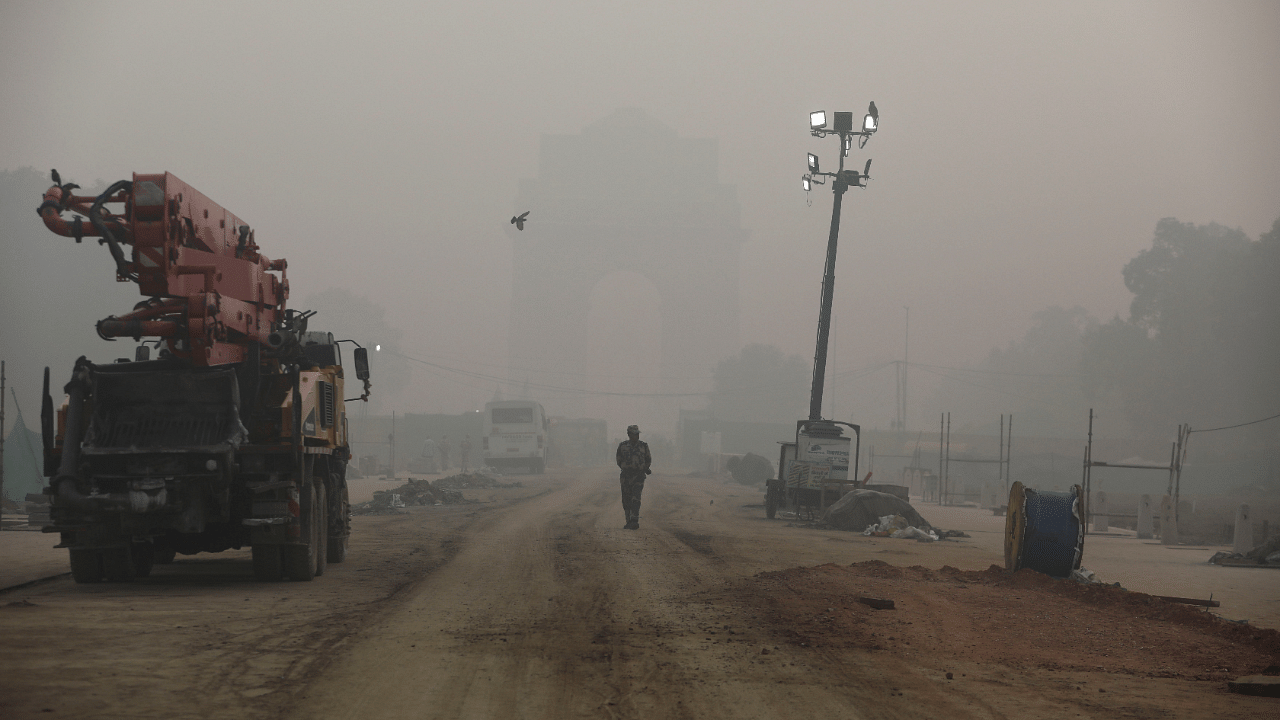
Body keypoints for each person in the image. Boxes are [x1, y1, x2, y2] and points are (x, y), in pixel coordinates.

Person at [615, 425, 652, 530]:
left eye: (637, 434)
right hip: (626, 476)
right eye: (634, 434)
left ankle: (634, 520)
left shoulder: (643, 446)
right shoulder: (623, 446)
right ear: (629, 434)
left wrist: (643, 468)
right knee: (626, 499)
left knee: (636, 498)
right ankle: (628, 521)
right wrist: (626, 468)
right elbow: (619, 460)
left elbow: (648, 459)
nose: (636, 436)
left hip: (638, 476)